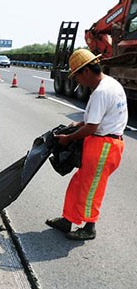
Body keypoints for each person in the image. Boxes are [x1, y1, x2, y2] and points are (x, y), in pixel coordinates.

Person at [46, 49, 128, 240]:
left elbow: (92, 128)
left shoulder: (101, 92)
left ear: (86, 71)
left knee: (92, 188)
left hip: (104, 145)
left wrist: (68, 138)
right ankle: (68, 219)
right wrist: (80, 124)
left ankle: (89, 227)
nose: (77, 82)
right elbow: (99, 119)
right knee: (79, 183)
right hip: (101, 143)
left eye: (77, 77)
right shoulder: (110, 84)